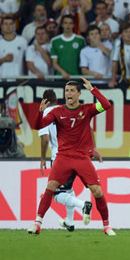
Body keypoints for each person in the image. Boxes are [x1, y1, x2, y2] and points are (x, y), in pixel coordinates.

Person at [27, 78, 116, 236]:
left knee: (97, 191)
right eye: (67, 91)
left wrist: (93, 89)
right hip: (63, 157)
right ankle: (37, 223)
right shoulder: (57, 111)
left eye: (72, 91)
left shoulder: (87, 109)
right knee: (50, 188)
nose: (68, 93)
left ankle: (107, 226)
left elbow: (107, 105)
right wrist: (40, 112)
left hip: (82, 158)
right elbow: (38, 126)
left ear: (79, 93)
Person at [38, 89, 95, 232]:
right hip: (77, 154)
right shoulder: (64, 109)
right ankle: (69, 221)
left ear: (45, 101)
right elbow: (89, 127)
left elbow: (45, 138)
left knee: (56, 194)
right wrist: (91, 149)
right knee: (68, 190)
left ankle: (83, 205)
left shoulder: (46, 114)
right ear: (57, 99)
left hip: (59, 157)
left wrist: (42, 158)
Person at [50, 15, 85, 80]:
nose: (68, 26)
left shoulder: (80, 40)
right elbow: (54, 63)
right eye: (65, 23)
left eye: (70, 23)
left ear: (73, 25)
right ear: (62, 25)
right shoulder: (55, 41)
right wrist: (63, 72)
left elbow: (84, 60)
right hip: (60, 77)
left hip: (76, 77)